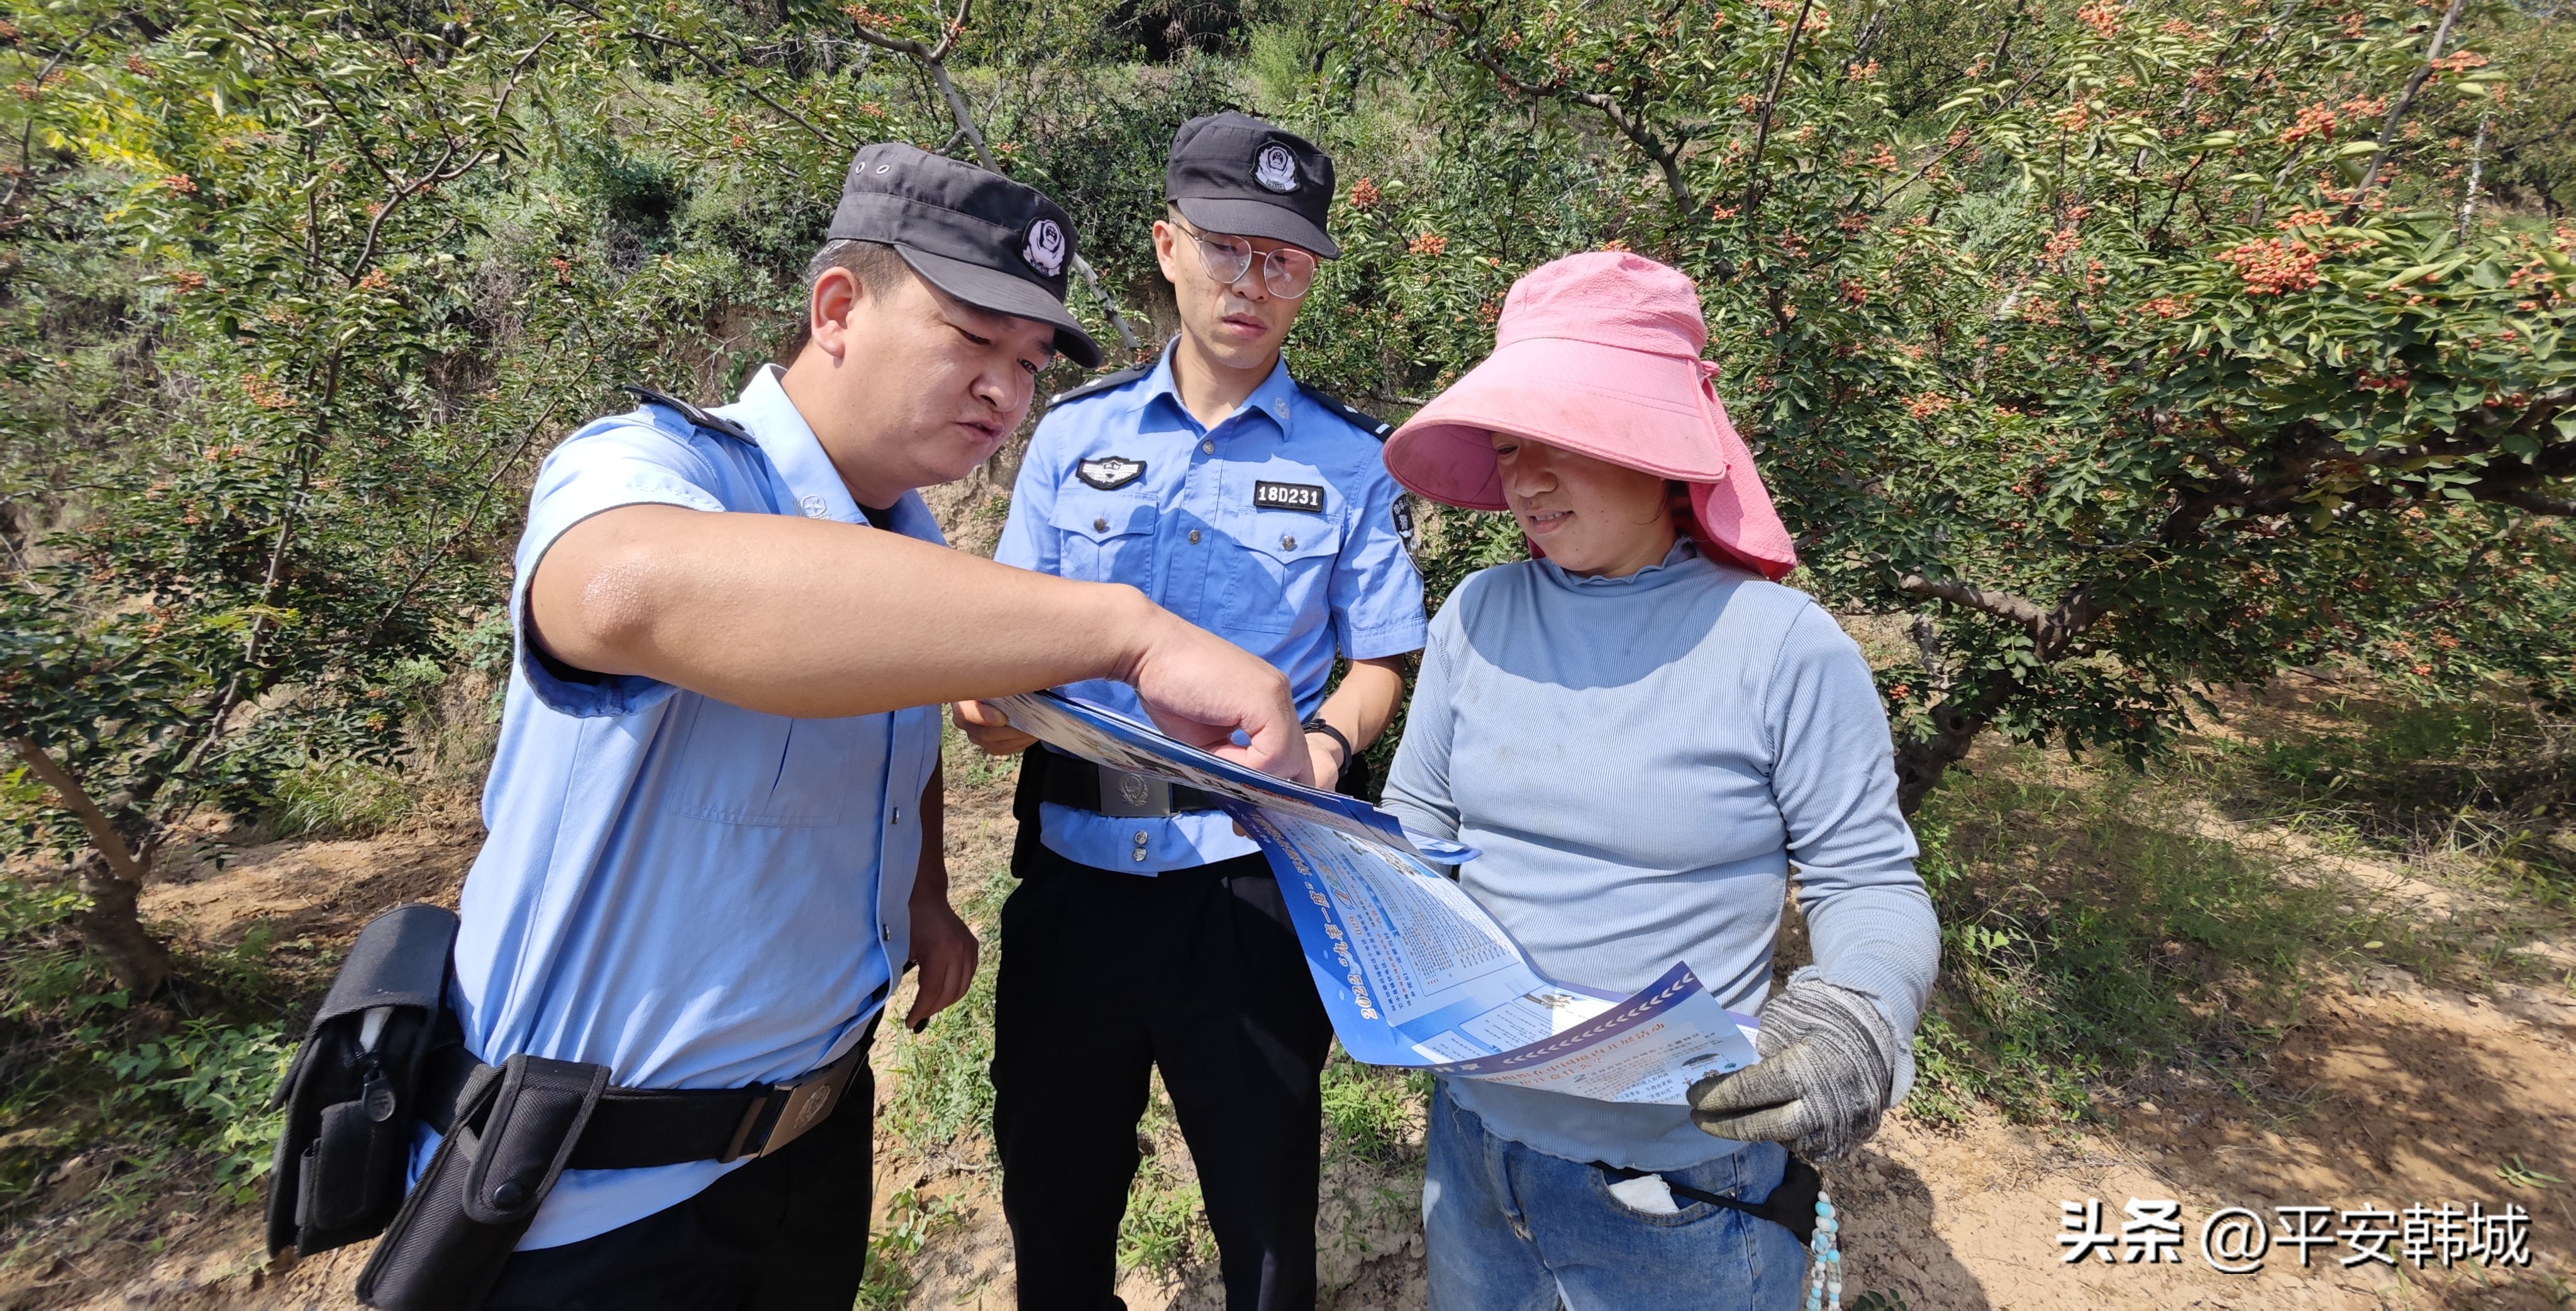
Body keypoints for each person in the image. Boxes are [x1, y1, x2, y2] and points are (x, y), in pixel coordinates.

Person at [438, 143, 1311, 1311]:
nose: (1006, 390)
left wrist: (925, 893)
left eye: (1030, 362)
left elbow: (895, 736)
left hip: (810, 1143)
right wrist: (1131, 631)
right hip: (596, 1198)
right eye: (971, 338)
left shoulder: (914, 556)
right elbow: (622, 592)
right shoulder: (660, 465)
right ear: (839, 308)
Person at [1374, 251, 1940, 1311]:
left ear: (1662, 449)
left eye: (1562, 441)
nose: (1524, 481)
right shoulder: (1478, 616)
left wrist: (1858, 1013)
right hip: (1476, 1150)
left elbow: (1870, 884)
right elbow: (1419, 822)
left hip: (1682, 1186)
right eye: (1507, 444)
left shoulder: (1781, 648)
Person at [952, 113, 1428, 1311]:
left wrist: (1324, 745)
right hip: (1075, 874)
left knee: (1266, 1225)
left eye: (1285, 259)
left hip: (1252, 879)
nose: (1252, 282)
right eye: (1228, 247)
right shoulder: (1069, 436)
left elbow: (1378, 662)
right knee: (1055, 1208)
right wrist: (993, 707)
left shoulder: (1355, 461)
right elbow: (1000, 646)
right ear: (1169, 247)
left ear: (1309, 278)